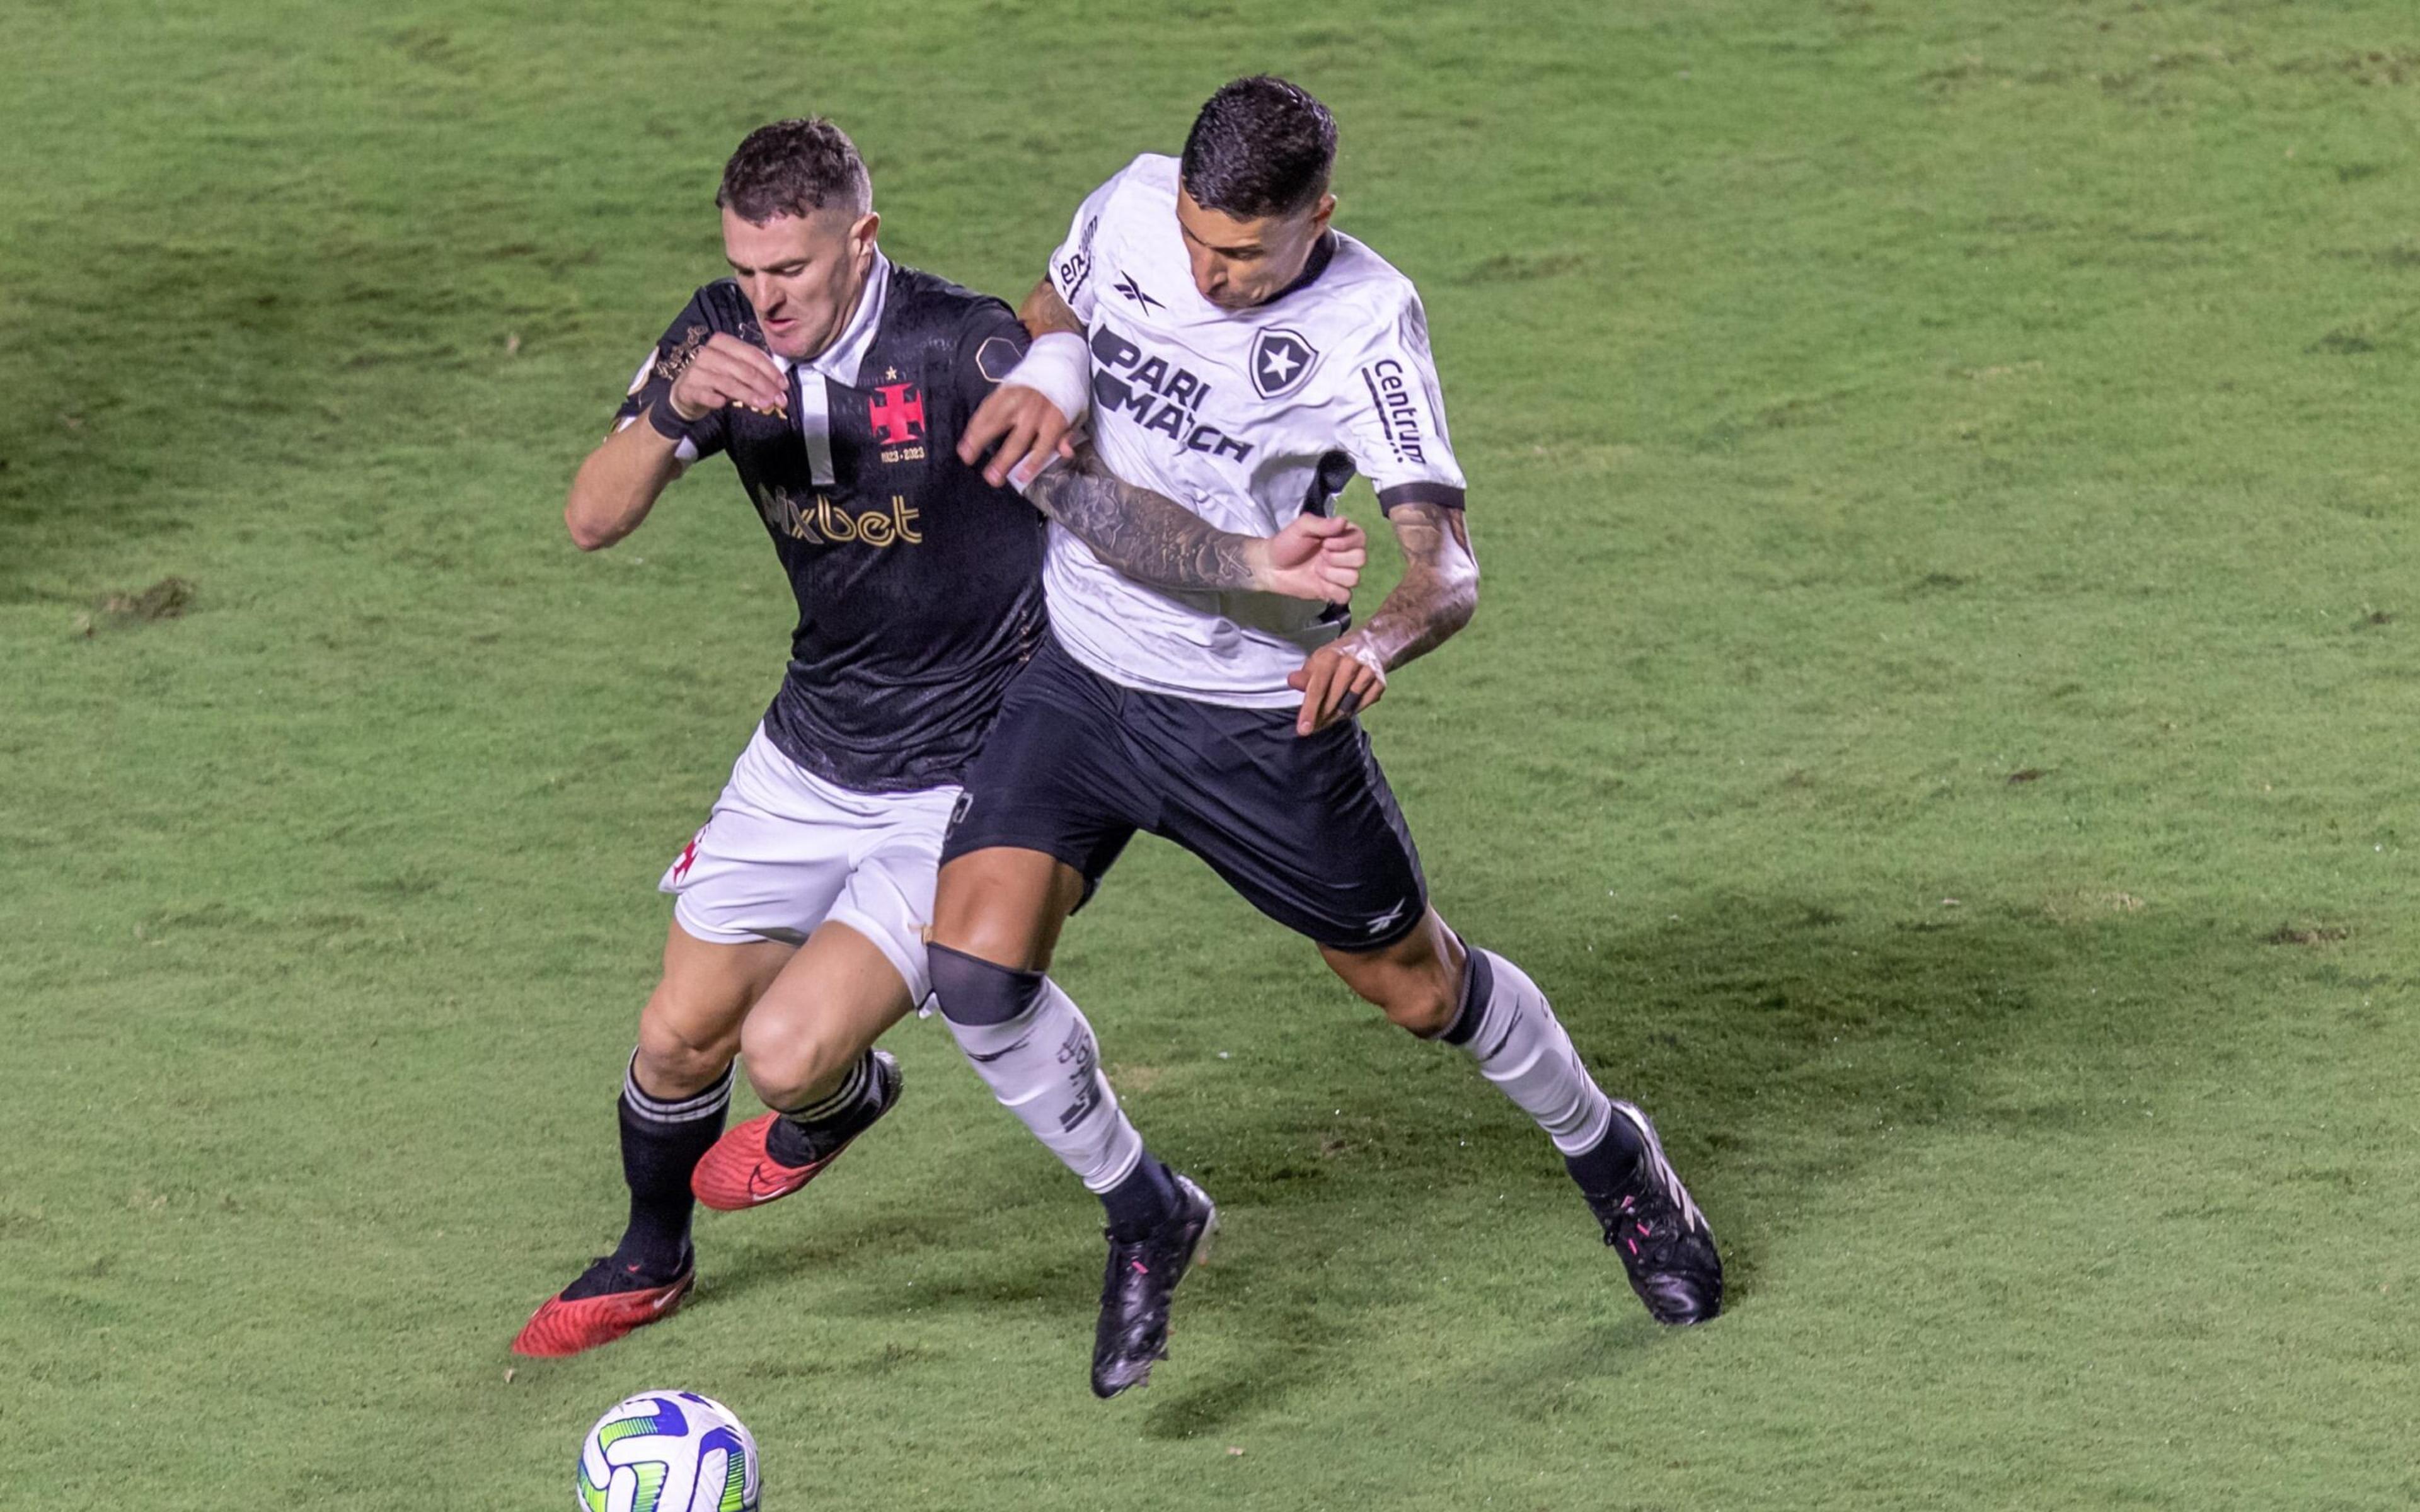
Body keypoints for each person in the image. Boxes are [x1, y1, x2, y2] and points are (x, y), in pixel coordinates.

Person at [512, 117, 1365, 1357]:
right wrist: (672, 409)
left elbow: (1108, 514)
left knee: (786, 1054)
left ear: (861, 239)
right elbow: (592, 519)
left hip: (968, 778)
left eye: (792, 272)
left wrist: (1248, 565)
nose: (768, 300)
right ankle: (653, 1257)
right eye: (748, 272)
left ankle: (866, 1112)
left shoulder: (960, 349)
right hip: (811, 750)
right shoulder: (717, 332)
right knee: (675, 1032)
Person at [936, 76, 1725, 1398]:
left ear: (1320, 221)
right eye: (1197, 239)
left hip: (1256, 712)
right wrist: (1056, 362)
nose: (1210, 272)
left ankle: (1611, 1155)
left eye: (1243, 252)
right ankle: (1146, 1210)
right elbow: (1059, 302)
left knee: (1418, 989)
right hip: (1081, 675)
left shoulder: (1367, 323)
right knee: (971, 973)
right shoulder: (1132, 207)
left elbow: (1448, 568)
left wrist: (1372, 643)